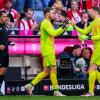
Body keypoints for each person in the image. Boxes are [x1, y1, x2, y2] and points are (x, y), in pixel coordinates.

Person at [25, 7, 69, 96]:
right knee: (53, 69)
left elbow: (54, 33)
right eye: (52, 13)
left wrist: (64, 26)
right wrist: (64, 26)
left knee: (46, 71)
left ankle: (29, 85)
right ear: (47, 14)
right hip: (48, 50)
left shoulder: (47, 23)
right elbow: (54, 33)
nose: (54, 14)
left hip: (47, 49)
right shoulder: (46, 23)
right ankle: (56, 91)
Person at [71, 7, 100, 96]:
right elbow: (85, 31)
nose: (89, 14)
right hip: (97, 48)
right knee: (94, 70)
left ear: (95, 11)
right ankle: (91, 92)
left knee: (91, 69)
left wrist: (88, 37)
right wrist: (74, 26)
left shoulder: (99, 21)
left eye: (90, 12)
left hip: (99, 48)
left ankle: (91, 92)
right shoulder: (94, 22)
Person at [0, 10, 15, 95]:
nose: (6, 18)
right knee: (1, 70)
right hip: (0, 52)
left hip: (5, 52)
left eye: (6, 16)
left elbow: (4, 38)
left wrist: (10, 43)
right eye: (4, 16)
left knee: (4, 70)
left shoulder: (5, 27)